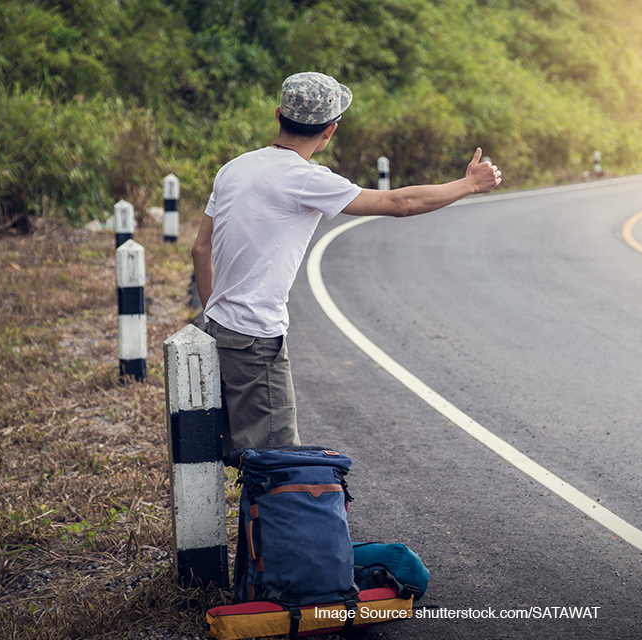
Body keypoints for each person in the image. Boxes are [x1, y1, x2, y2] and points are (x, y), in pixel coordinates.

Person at [192, 71, 502, 454]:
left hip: (221, 329)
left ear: (278, 115)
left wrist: (216, 313)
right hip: (256, 339)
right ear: (330, 131)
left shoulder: (234, 168)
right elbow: (398, 204)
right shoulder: (305, 179)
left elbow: (200, 250)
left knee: (244, 457)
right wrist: (469, 184)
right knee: (276, 464)